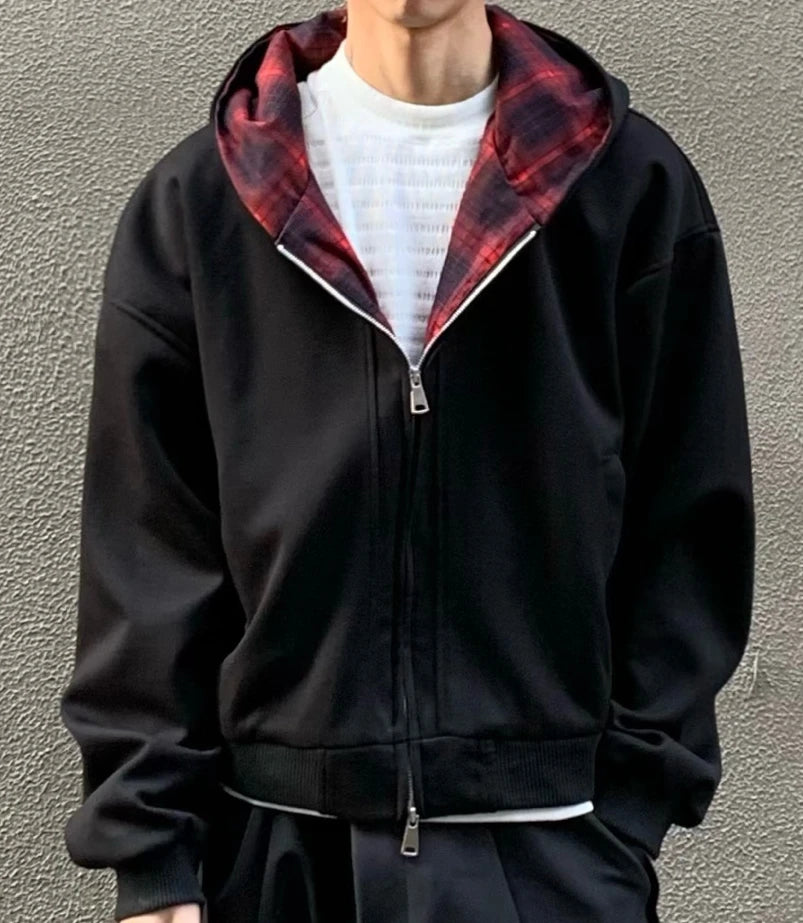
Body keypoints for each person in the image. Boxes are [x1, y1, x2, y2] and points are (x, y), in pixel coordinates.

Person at [58, 1, 755, 921]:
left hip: (551, 854)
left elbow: (689, 514)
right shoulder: (203, 200)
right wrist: (152, 856)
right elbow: (149, 550)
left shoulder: (628, 184)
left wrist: (624, 814)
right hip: (275, 855)